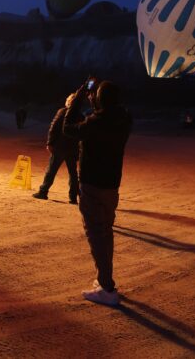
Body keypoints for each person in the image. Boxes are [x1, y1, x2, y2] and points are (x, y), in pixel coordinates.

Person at [63, 79, 132, 306]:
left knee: (96, 235)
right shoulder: (124, 120)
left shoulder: (95, 123)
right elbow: (107, 116)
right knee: (106, 232)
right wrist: (95, 102)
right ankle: (104, 280)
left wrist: (76, 102)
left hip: (93, 185)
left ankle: (107, 288)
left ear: (99, 99)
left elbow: (68, 128)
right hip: (112, 186)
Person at [33, 95, 79, 203]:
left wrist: (50, 143)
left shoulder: (62, 112)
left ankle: (43, 192)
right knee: (73, 174)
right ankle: (73, 197)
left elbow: (53, 127)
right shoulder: (80, 115)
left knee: (51, 170)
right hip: (72, 149)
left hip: (60, 147)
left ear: (68, 102)